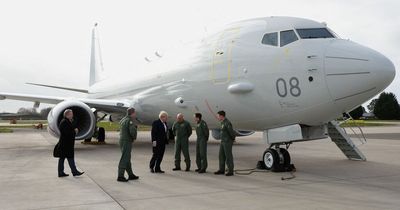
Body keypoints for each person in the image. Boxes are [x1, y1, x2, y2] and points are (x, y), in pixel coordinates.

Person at [57, 109, 84, 177]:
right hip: (66, 144)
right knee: (68, 158)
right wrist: (75, 131)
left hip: (65, 144)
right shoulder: (65, 122)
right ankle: (74, 172)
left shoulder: (66, 121)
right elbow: (67, 133)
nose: (72, 115)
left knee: (63, 158)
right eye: (71, 114)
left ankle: (62, 172)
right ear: (67, 115)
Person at [117, 108, 139, 182]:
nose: (135, 114)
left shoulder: (124, 119)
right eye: (135, 113)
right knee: (125, 158)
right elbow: (132, 131)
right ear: (132, 113)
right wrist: (134, 136)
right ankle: (120, 175)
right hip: (127, 141)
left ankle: (130, 174)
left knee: (127, 158)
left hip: (122, 140)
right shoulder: (130, 121)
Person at [214, 110, 236, 176]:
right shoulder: (222, 122)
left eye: (218, 116)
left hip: (227, 142)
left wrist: (232, 140)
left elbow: (231, 133)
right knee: (221, 156)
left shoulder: (227, 123)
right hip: (223, 141)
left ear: (221, 116)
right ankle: (221, 170)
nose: (217, 117)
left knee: (228, 156)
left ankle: (230, 171)